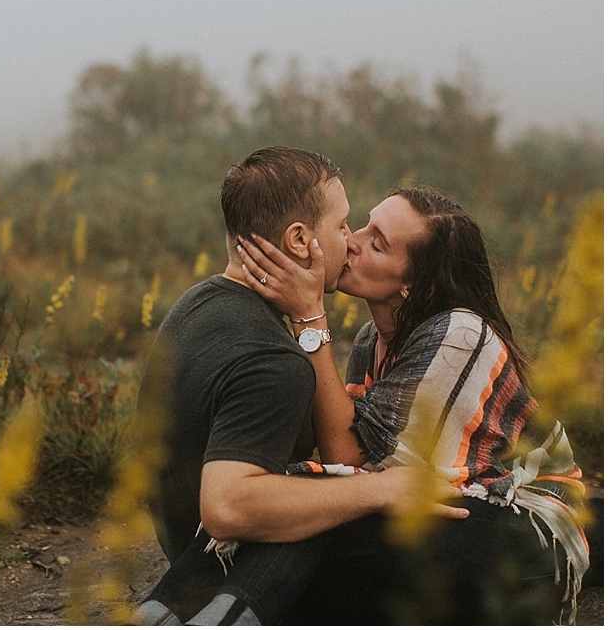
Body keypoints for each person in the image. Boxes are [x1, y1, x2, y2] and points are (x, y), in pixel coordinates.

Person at [228, 186, 596, 623]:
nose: (351, 240)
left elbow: (351, 460)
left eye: (377, 243)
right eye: (361, 225)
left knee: (326, 521)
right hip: (449, 508)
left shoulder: (460, 336)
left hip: (530, 528)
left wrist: (309, 316)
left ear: (416, 284)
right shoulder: (370, 341)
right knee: (316, 536)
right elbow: (355, 463)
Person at [132, 148, 466, 626]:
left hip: (183, 549)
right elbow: (227, 507)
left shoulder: (197, 305)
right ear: (299, 239)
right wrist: (379, 488)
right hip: (231, 567)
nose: (349, 241)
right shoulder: (276, 362)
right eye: (342, 225)